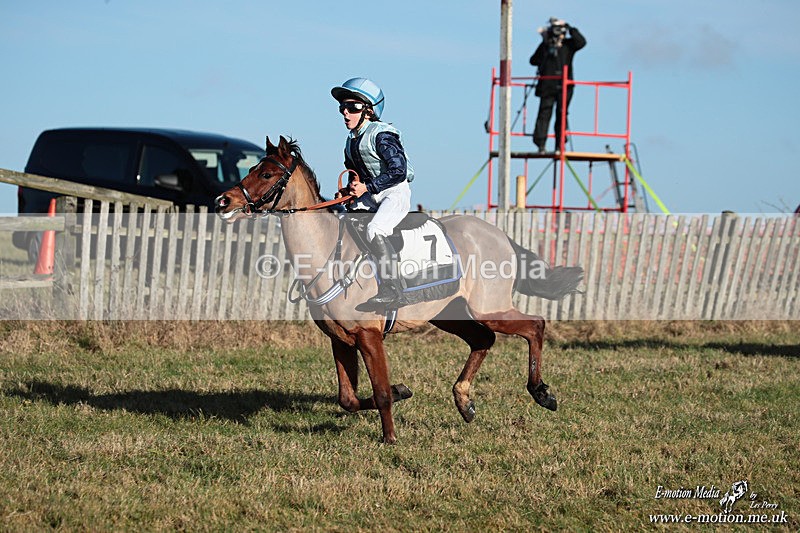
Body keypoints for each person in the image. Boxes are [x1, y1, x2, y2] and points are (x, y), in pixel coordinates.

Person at [331, 77, 415, 308]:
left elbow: (399, 171)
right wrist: (348, 191)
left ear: (368, 111)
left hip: (394, 193)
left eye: (353, 107)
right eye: (342, 108)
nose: (345, 113)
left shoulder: (382, 135)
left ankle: (393, 290)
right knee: (343, 222)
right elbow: (355, 174)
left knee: (375, 228)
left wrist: (367, 188)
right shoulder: (350, 141)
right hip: (371, 194)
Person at [529, 17, 587, 154]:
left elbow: (581, 42)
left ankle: (559, 145)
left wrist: (570, 28)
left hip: (565, 86)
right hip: (547, 86)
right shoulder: (545, 46)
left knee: (562, 114)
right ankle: (541, 144)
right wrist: (545, 42)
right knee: (544, 114)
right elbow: (533, 60)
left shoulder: (568, 45)